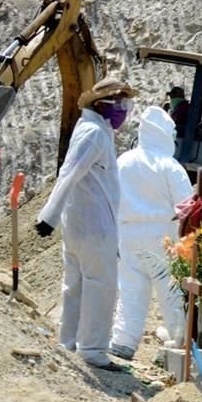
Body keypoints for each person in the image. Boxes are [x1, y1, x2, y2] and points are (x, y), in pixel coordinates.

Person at [35, 77, 137, 371]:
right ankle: (92, 350)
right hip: (94, 228)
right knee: (99, 287)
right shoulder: (94, 133)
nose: (124, 109)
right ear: (100, 103)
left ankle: (69, 344)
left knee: (76, 287)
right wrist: (48, 216)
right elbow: (69, 173)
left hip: (81, 226)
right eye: (120, 102)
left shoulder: (93, 130)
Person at [109, 106, 193, 360]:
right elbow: (187, 205)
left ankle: (123, 340)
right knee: (170, 291)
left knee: (131, 288)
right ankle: (179, 341)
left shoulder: (123, 161)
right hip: (163, 235)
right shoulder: (170, 166)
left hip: (128, 233)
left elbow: (111, 197)